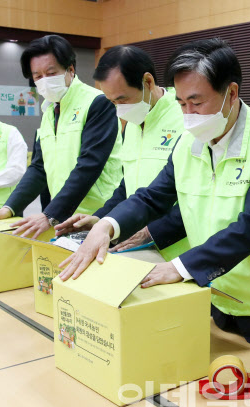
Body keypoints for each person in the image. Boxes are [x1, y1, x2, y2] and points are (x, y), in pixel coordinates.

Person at [57, 38, 250, 345]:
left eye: (197, 102)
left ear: (231, 93)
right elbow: (152, 196)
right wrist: (106, 225)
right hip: (216, 291)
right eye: (180, 103)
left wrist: (180, 267)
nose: (188, 114)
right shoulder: (189, 142)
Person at [0, 35, 123, 239]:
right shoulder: (49, 111)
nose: (44, 81)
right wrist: (10, 207)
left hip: (97, 214)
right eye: (37, 76)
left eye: (51, 73)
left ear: (70, 69)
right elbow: (39, 167)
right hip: (63, 214)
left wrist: (50, 214)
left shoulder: (97, 103)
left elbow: (90, 164)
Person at [56, 45, 188, 260]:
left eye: (122, 99)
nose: (119, 109)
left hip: (179, 247)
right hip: (136, 244)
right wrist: (101, 218)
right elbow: (127, 187)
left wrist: (152, 232)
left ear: (148, 82)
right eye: (112, 102)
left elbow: (195, 195)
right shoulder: (133, 123)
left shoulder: (184, 117)